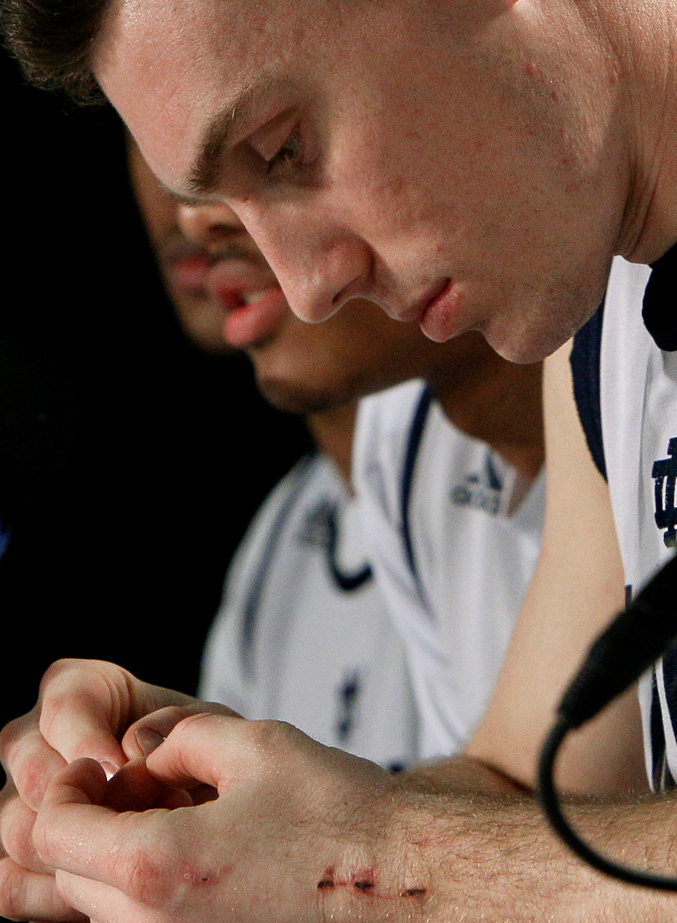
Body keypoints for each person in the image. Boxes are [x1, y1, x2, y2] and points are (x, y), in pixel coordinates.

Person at [0, 0, 677, 923]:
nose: (306, 287)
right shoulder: (605, 303)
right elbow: (548, 804)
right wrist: (217, 834)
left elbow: (478, 869)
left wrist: (378, 881)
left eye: (284, 149)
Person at [130, 139, 543, 767]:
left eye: (279, 138)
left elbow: (542, 812)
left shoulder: (624, 361)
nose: (192, 212)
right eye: (139, 134)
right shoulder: (357, 477)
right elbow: (526, 807)